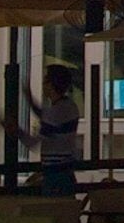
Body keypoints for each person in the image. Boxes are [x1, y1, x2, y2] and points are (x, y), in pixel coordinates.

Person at [19, 66, 84, 195]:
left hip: (54, 174)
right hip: (66, 171)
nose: (43, 85)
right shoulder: (70, 106)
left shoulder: (55, 112)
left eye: (45, 81)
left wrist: (15, 130)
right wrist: (30, 100)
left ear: (51, 84)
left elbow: (32, 143)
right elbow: (46, 116)